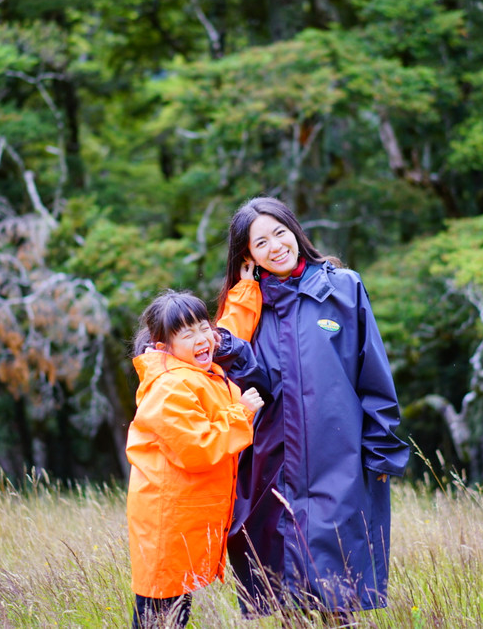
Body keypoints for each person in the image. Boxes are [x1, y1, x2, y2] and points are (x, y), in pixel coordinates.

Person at [215, 196, 410, 618]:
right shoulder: (250, 306)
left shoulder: (342, 287)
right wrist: (240, 309)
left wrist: (379, 452)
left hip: (337, 465)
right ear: (248, 255)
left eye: (279, 233)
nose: (275, 247)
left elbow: (372, 375)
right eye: (260, 242)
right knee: (288, 601)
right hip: (273, 468)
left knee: (341, 596)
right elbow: (248, 387)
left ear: (294, 230)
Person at [126, 290, 266, 628]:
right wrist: (241, 414)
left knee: (174, 612)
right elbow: (198, 448)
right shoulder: (170, 386)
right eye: (187, 334)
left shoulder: (197, 369)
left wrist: (246, 292)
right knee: (161, 616)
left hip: (182, 522)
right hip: (167, 524)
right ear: (164, 347)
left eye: (204, 327)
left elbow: (229, 329)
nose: (202, 338)